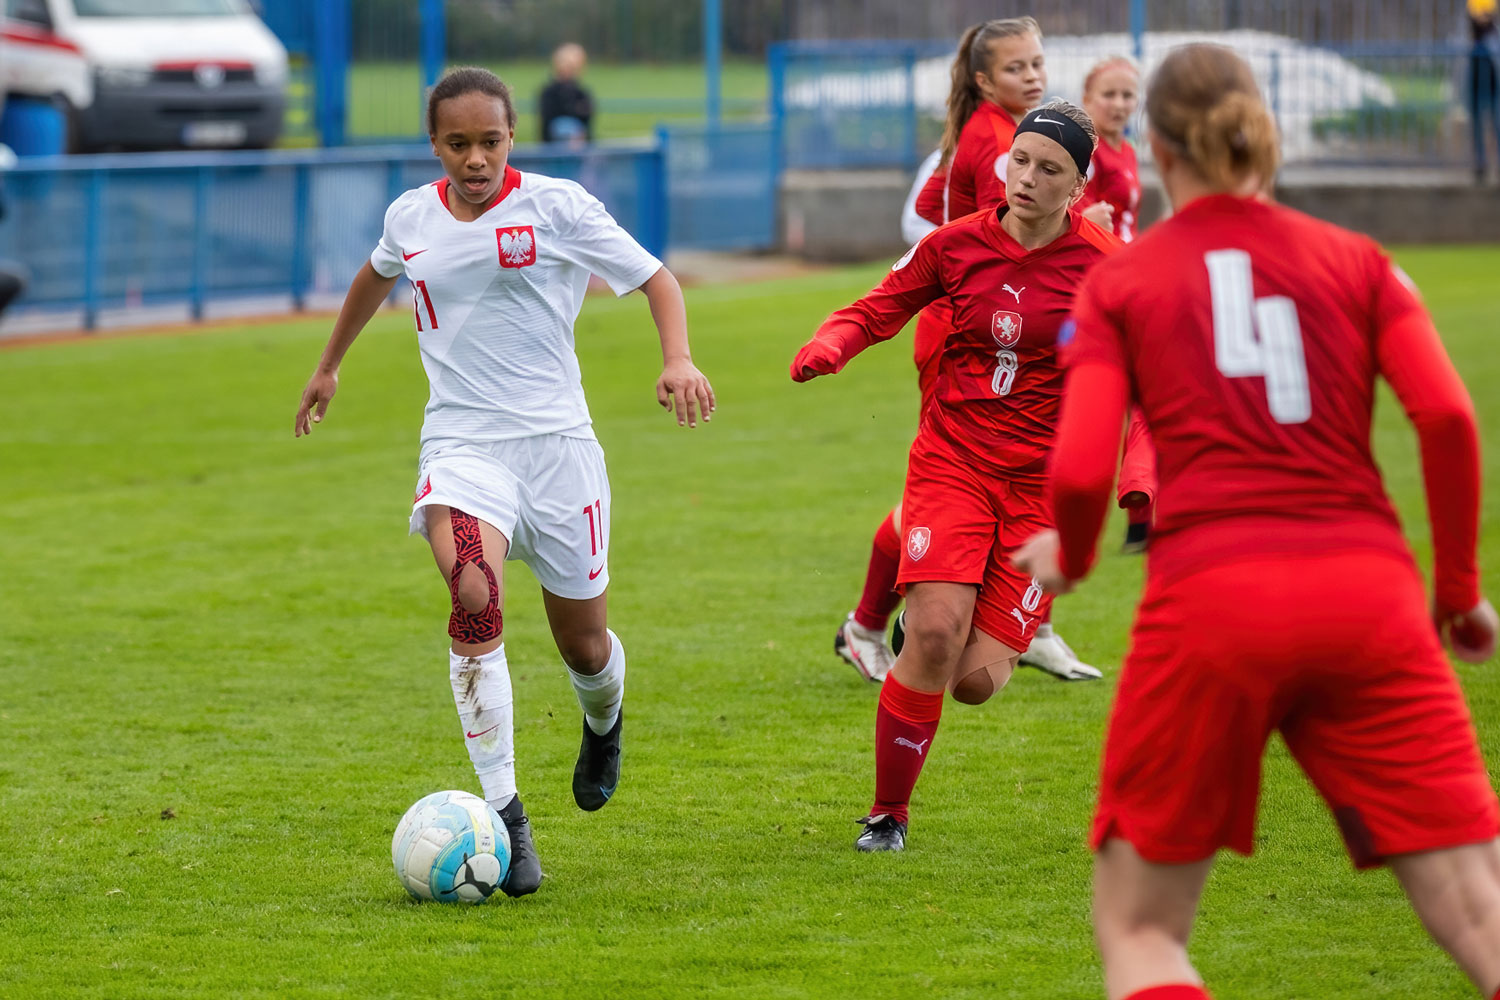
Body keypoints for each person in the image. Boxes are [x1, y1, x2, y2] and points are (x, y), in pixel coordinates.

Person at [1014, 44, 1500, 1000]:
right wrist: (1458, 597)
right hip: (1370, 601)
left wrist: (1068, 559)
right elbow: (1446, 418)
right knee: (1480, 908)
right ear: (1260, 133)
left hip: (1213, 603)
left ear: (1151, 147)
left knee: (1144, 929)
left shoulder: (1122, 280)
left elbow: (1079, 464)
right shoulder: (1358, 260)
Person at [294, 67, 715, 897]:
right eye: (458, 144)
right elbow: (376, 274)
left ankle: (604, 720)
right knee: (475, 594)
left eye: (490, 141)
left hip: (559, 451)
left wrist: (678, 357)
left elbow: (656, 278)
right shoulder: (410, 216)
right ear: (435, 146)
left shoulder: (557, 208)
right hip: (462, 446)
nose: (475, 159)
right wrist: (327, 366)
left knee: (585, 647)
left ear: (511, 137)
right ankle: (508, 820)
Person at [794, 101, 1122, 852]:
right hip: (955, 462)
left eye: (1049, 170)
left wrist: (1139, 479)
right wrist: (830, 344)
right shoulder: (955, 246)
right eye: (1020, 161)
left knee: (974, 682)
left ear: (1077, 187)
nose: (1027, 179)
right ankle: (888, 816)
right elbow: (880, 306)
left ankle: (939, 615)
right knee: (938, 635)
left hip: (1045, 492)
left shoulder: (1105, 269)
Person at [834, 17, 1100, 686]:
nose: (1034, 75)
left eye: (1038, 63)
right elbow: (994, 239)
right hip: (976, 340)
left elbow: (921, 210)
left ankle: (1003, 620)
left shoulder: (1004, 132)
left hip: (977, 328)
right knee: (960, 483)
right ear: (984, 79)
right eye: (1017, 68)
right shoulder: (994, 144)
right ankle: (902, 617)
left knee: (969, 485)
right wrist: (949, 268)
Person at [1079, 56, 1155, 553]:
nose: (1119, 104)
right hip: (1097, 282)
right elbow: (1050, 205)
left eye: (1128, 96)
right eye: (1109, 94)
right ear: (1087, 96)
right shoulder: (1086, 151)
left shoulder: (1124, 149)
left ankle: (1140, 504)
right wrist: (1086, 214)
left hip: (1126, 275)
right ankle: (1139, 500)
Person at [1467, 0, 1500, 183]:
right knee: (1479, 117)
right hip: (1479, 53)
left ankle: (1485, 162)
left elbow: (1486, 16)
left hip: (1487, 54)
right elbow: (1476, 16)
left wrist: (1482, 17)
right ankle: (1481, 162)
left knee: (1495, 118)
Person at [539, 42, 594, 146]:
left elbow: (587, 119)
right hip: (554, 149)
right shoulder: (549, 93)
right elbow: (547, 124)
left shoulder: (582, 93)